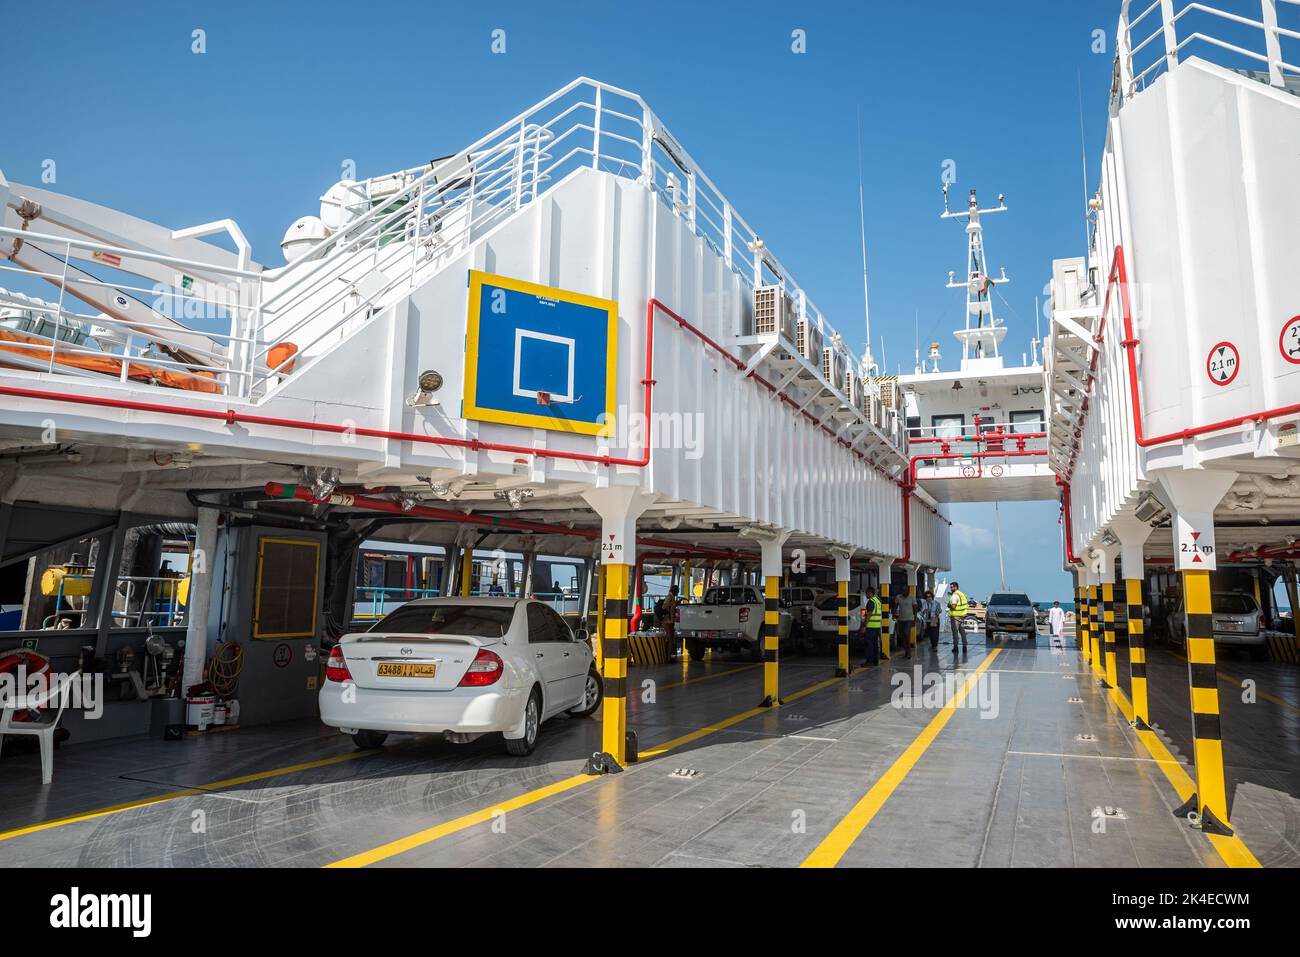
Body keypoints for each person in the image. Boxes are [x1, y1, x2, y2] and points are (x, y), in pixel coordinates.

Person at [860, 586, 883, 666]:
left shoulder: (870, 601)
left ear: (870, 593)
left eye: (866, 593)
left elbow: (869, 615)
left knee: (868, 644)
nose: (866, 594)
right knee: (875, 644)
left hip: (871, 626)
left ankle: (869, 661)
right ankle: (875, 661)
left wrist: (864, 626)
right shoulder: (878, 601)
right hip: (877, 626)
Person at [893, 588, 916, 659]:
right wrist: (894, 614)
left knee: (906, 633)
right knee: (901, 635)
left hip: (909, 619)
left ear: (908, 591)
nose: (904, 592)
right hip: (900, 619)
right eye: (903, 591)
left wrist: (914, 619)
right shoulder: (898, 597)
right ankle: (906, 651)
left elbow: (915, 608)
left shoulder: (912, 597)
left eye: (906, 591)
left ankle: (909, 652)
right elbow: (895, 606)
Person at [947, 581, 969, 652]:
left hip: (955, 616)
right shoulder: (962, 594)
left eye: (952, 587)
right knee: (962, 631)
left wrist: (948, 605)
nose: (951, 588)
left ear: (956, 587)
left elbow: (953, 606)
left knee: (955, 632)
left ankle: (955, 647)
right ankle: (964, 647)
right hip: (962, 615)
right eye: (950, 587)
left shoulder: (954, 595)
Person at [662, 585, 679, 658]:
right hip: (667, 621)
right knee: (669, 638)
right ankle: (667, 655)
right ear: (674, 591)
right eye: (677, 591)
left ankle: (669, 655)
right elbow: (664, 606)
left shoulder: (672, 597)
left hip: (670, 621)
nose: (677, 593)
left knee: (671, 638)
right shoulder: (669, 596)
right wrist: (673, 603)